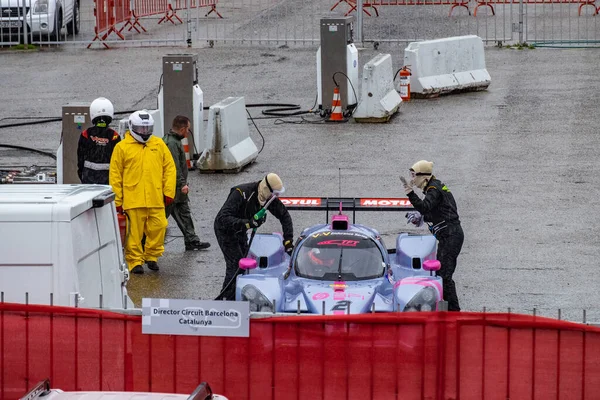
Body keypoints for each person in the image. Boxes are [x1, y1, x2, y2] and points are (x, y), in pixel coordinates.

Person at [109, 110, 176, 275]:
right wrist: (117, 200)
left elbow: (169, 169)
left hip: (155, 197)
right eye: (141, 129)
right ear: (132, 127)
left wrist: (168, 192)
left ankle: (152, 256)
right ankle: (135, 262)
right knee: (134, 234)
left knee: (159, 227)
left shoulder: (158, 144)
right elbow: (115, 175)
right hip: (133, 198)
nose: (144, 133)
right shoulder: (122, 147)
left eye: (147, 129)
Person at [213, 173, 294, 300]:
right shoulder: (241, 193)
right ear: (266, 189)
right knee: (235, 264)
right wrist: (247, 223)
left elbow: (284, 216)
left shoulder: (268, 198)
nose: (275, 197)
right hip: (225, 230)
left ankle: (240, 296)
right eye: (275, 193)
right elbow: (223, 218)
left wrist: (288, 241)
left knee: (246, 266)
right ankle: (225, 300)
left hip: (240, 232)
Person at [400, 160, 464, 312]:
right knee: (442, 274)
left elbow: (424, 206)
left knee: (444, 275)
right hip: (448, 234)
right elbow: (436, 211)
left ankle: (454, 312)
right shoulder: (435, 187)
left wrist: (410, 193)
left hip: (451, 235)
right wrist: (421, 217)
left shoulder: (434, 189)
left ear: (424, 177)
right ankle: (447, 308)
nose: (412, 179)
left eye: (414, 175)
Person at [163, 115, 211, 251]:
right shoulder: (172, 143)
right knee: (161, 218)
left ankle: (192, 240)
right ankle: (145, 243)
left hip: (175, 187)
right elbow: (174, 168)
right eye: (188, 130)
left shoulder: (172, 141)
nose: (188, 133)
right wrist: (182, 184)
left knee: (184, 213)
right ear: (183, 129)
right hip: (172, 188)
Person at [77, 97, 121, 184]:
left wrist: (81, 173)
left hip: (88, 178)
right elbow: (119, 161)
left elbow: (80, 158)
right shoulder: (114, 136)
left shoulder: (86, 134)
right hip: (108, 179)